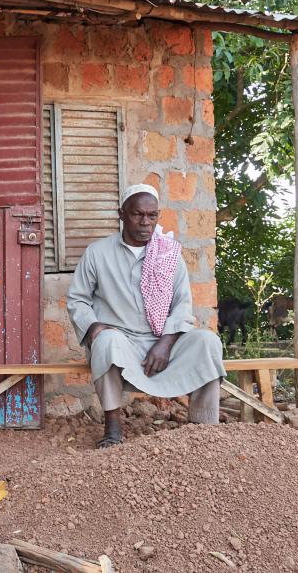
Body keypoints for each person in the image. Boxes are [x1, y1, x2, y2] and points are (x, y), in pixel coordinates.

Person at [66, 184, 226, 448]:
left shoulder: (170, 255)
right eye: (137, 214)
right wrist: (94, 327)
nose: (145, 223)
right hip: (121, 342)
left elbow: (183, 305)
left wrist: (165, 343)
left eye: (152, 216)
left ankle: (203, 428)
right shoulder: (98, 252)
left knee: (208, 342)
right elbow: (78, 299)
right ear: (121, 214)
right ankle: (113, 428)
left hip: (163, 342)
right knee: (106, 341)